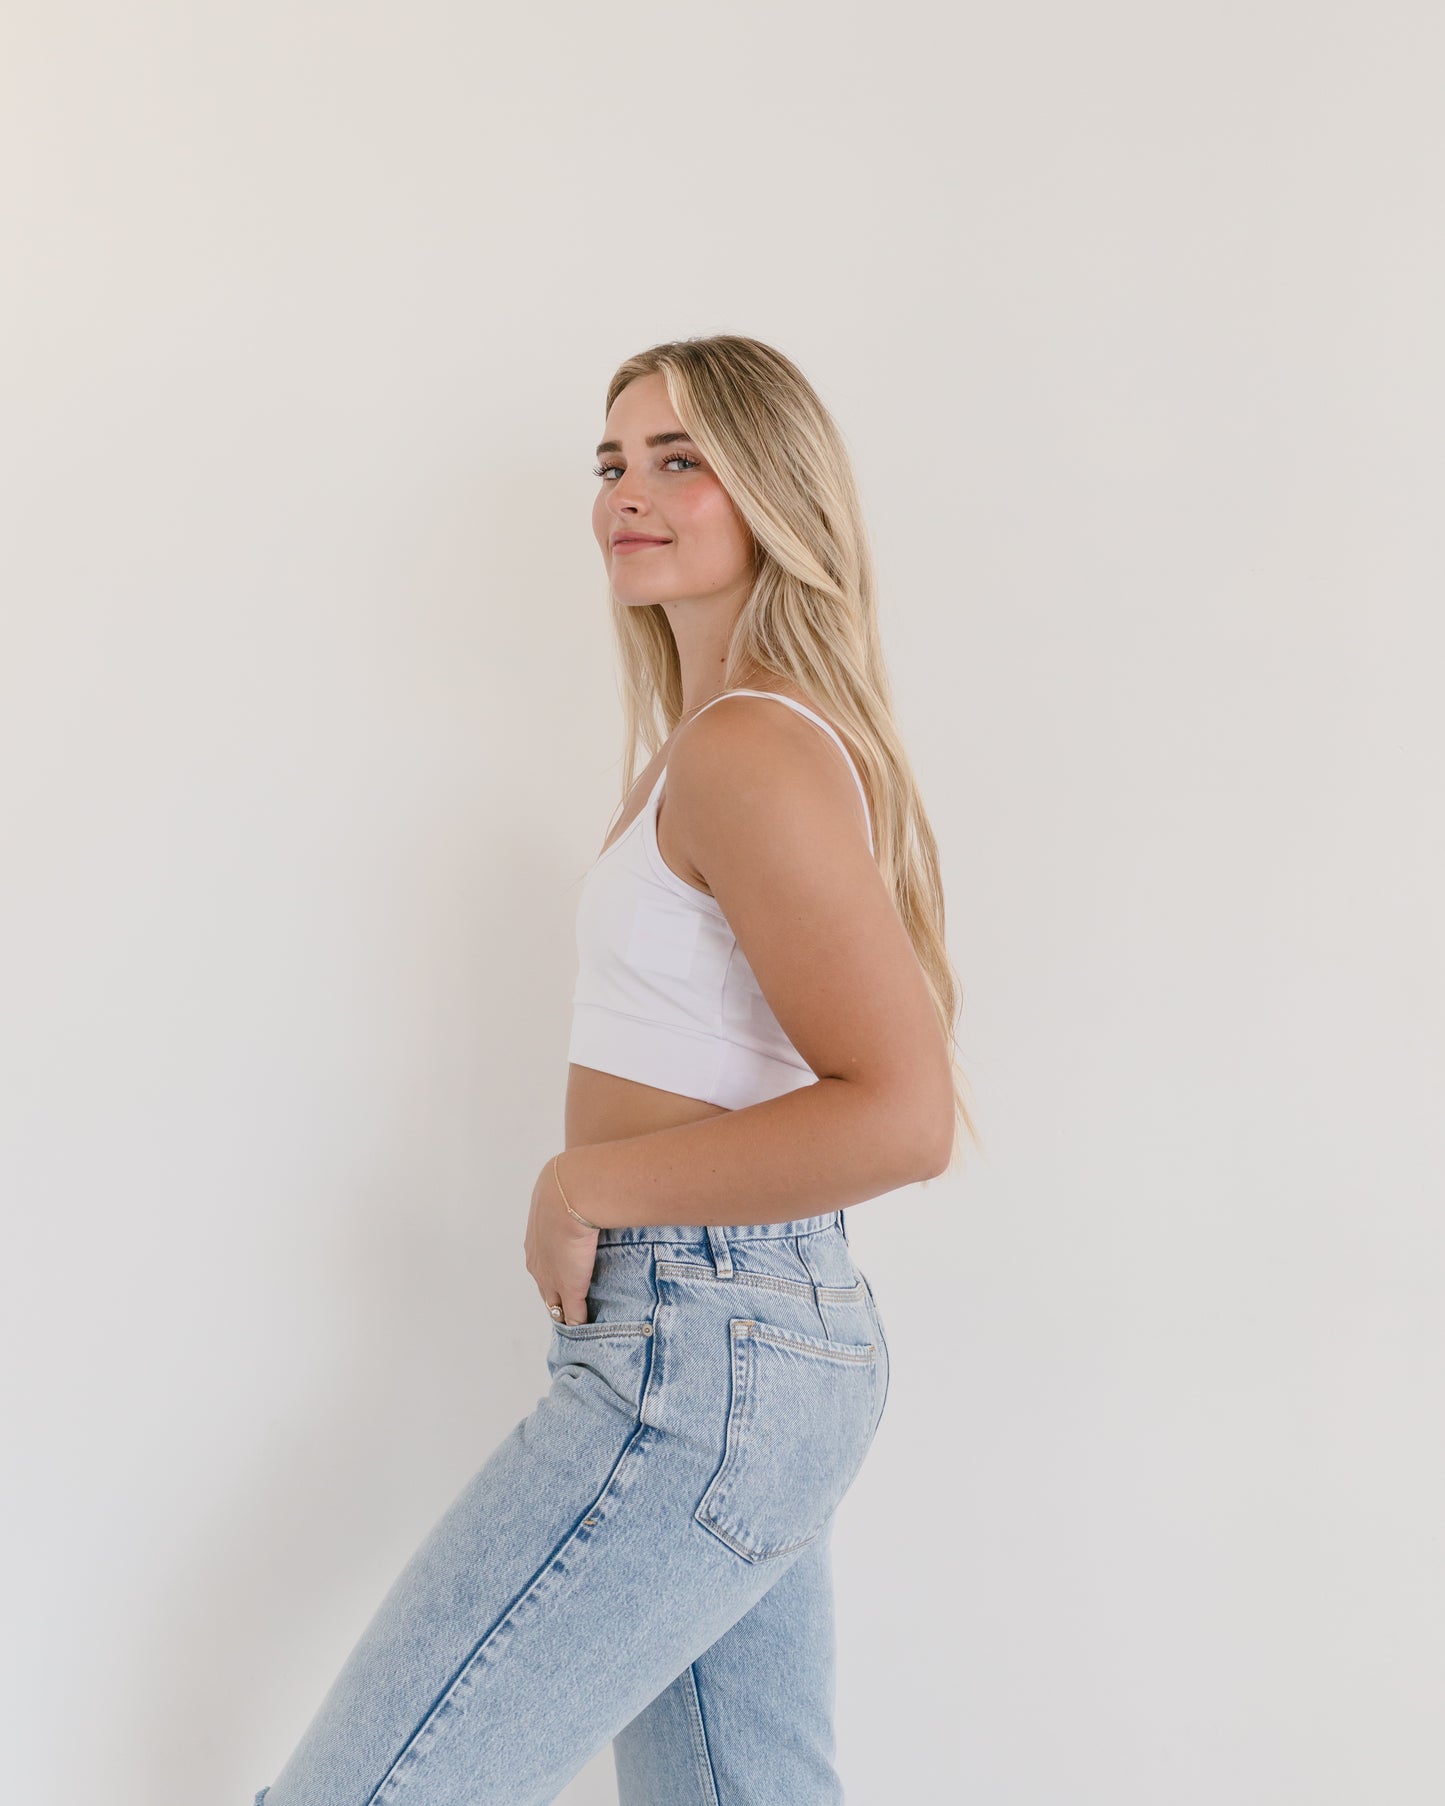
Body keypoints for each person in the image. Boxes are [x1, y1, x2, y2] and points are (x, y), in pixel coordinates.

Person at [253, 334, 978, 1805]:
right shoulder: (713, 743)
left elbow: (902, 1114)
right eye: (610, 461)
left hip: (701, 1344)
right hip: (742, 1344)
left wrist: (588, 1180)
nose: (625, 493)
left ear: (772, 491)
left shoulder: (745, 751)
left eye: (677, 458)